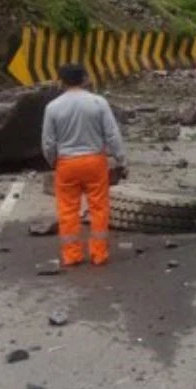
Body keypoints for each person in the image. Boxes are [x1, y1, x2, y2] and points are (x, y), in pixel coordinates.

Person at [41, 63, 125, 267]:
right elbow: (112, 134)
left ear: (61, 81)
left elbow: (48, 142)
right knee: (99, 207)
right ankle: (99, 253)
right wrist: (121, 158)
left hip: (67, 163)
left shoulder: (53, 107)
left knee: (68, 209)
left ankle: (72, 255)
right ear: (85, 79)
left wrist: (53, 160)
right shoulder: (98, 103)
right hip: (95, 161)